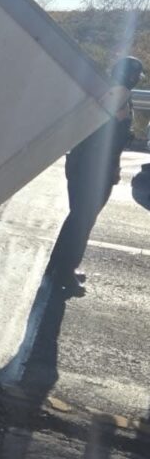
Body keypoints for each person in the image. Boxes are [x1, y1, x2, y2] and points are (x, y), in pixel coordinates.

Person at [45, 55, 143, 297]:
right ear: (131, 76)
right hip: (92, 169)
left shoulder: (108, 90)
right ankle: (64, 274)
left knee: (77, 218)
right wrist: (109, 169)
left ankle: (57, 266)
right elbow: (106, 140)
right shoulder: (118, 94)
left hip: (85, 165)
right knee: (82, 220)